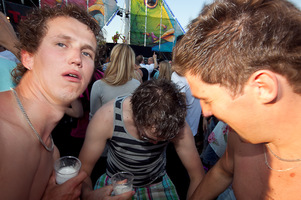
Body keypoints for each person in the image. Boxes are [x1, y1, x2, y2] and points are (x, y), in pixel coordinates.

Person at [0, 5, 132, 200]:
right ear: (28, 58)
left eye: (87, 52)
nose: (76, 58)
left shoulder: (50, 148)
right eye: (61, 44)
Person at [172, 0, 301, 199]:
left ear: (263, 87)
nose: (205, 112)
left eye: (207, 99)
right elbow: (224, 168)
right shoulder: (242, 133)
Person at [79, 79, 204, 200]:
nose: (155, 143)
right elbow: (83, 170)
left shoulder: (177, 124)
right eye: (147, 137)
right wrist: (87, 195)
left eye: (163, 140)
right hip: (115, 181)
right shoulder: (107, 117)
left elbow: (197, 176)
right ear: (135, 117)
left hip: (156, 182)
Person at [89, 44, 140, 118]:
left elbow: (93, 117)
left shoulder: (99, 85)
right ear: (131, 61)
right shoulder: (137, 85)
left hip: (104, 128)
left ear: (112, 59)